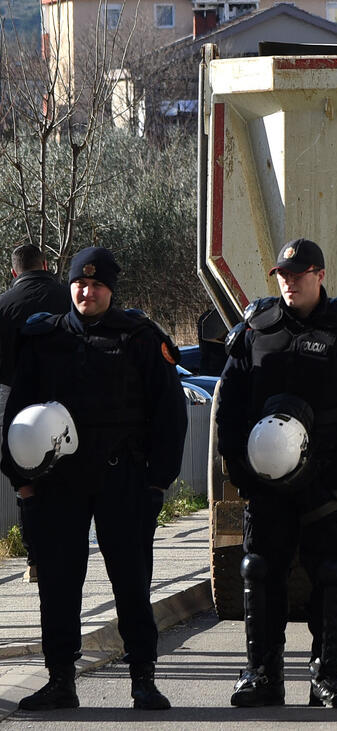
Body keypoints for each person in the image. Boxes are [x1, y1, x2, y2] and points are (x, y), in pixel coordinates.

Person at [1, 246, 187, 711]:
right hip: (57, 483)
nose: (87, 292)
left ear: (111, 289)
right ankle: (60, 680)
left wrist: (158, 483)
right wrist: (22, 482)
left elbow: (170, 414)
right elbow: (17, 414)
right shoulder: (43, 338)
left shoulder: (140, 337)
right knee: (58, 586)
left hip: (123, 480)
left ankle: (143, 678)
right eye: (80, 284)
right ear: (68, 285)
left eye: (97, 284)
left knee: (132, 583)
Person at [217, 238, 337, 709]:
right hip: (265, 480)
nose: (289, 282)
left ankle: (328, 674)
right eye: (282, 274)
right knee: (260, 570)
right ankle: (262, 673)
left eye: (298, 274)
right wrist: (238, 466)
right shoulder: (256, 328)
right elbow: (229, 403)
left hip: (326, 475)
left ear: (320, 274)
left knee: (333, 573)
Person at [0, 244, 71, 583]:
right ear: (45, 265)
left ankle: (36, 559)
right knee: (65, 478)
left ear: (14, 271)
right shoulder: (69, 297)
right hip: (64, 402)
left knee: (25, 481)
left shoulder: (3, 305)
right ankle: (65, 552)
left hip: (14, 402)